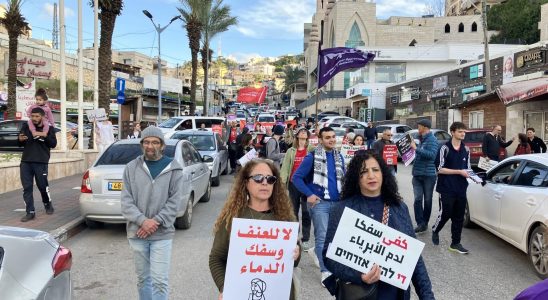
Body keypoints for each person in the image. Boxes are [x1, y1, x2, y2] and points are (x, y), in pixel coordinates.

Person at [323, 150, 435, 299]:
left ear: (383, 173)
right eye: (364, 171)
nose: (371, 175)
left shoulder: (399, 208)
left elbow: (413, 259)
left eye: (375, 170)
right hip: (359, 294)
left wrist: (427, 296)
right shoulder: (341, 209)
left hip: (393, 294)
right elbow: (329, 256)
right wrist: (359, 276)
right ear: (356, 178)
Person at [209, 159, 301, 300]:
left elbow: (293, 262)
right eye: (258, 178)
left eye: (270, 179)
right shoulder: (232, 218)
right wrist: (224, 287)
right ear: (246, 183)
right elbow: (216, 258)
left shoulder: (285, 218)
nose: (264, 183)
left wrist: (296, 253)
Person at [121, 126, 184, 300]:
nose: (150, 146)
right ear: (141, 144)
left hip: (162, 234)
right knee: (143, 279)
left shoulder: (174, 169)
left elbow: (174, 202)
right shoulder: (131, 167)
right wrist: (142, 221)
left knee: (159, 280)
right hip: (137, 233)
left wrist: (153, 222)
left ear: (162, 145)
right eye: (146, 142)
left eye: (155, 142)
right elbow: (126, 202)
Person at [292, 126, 345, 284]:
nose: (331, 140)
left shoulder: (339, 157)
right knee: (322, 237)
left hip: (337, 203)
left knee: (334, 238)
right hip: (320, 204)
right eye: (327, 137)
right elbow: (297, 178)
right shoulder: (312, 157)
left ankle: (316, 251)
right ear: (320, 140)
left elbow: (344, 178)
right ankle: (325, 271)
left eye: (333, 136)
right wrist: (309, 194)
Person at [431, 122, 471, 254]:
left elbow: (468, 168)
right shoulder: (444, 148)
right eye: (460, 131)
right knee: (446, 213)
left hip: (461, 188)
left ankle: (455, 243)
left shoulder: (466, 149)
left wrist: (474, 176)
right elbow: (439, 169)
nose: (463, 134)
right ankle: (435, 230)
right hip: (446, 188)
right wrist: (459, 172)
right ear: (452, 132)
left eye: (464, 131)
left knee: (459, 217)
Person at [18, 107, 58, 222]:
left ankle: (47, 204)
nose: (34, 118)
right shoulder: (26, 126)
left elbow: (53, 144)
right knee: (27, 188)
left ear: (43, 117)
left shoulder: (49, 128)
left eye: (37, 116)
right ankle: (30, 212)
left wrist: (45, 136)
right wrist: (20, 139)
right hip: (26, 161)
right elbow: (21, 143)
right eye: (32, 116)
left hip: (41, 161)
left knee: (42, 186)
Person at [280, 127, 314, 252]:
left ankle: (305, 239)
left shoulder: (311, 150)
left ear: (308, 136)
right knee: (293, 211)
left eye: (306, 131)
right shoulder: (291, 151)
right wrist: (282, 183)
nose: (304, 132)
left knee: (306, 212)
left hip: (306, 185)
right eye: (301, 131)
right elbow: (285, 167)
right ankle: (294, 238)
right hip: (293, 184)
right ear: (297, 135)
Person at [411, 119, 438, 234]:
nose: (418, 128)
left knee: (427, 200)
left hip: (428, 175)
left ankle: (425, 223)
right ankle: (420, 223)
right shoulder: (422, 139)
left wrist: (416, 148)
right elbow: (420, 154)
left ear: (425, 127)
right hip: (417, 174)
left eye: (419, 126)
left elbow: (431, 155)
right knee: (417, 199)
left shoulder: (432, 140)